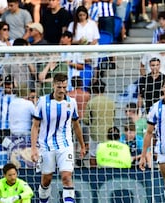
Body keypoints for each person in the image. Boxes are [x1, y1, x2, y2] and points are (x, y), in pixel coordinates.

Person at [30, 73, 86, 203]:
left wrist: (82, 145)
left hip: (65, 145)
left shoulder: (71, 102)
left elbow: (76, 125)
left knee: (66, 177)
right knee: (46, 179)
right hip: (46, 146)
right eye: (59, 87)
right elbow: (35, 126)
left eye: (64, 87)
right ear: (53, 85)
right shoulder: (42, 102)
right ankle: (43, 200)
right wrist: (34, 148)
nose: (62, 90)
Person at [83, 79, 115, 167]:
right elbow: (113, 116)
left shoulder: (91, 103)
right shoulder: (111, 102)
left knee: (93, 155)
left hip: (95, 133)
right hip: (108, 133)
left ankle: (94, 175)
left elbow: (86, 120)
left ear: (94, 89)